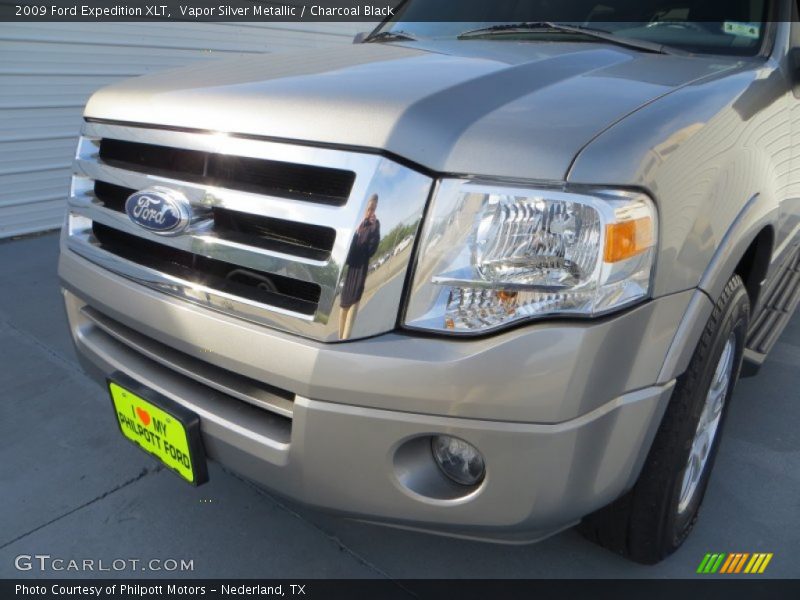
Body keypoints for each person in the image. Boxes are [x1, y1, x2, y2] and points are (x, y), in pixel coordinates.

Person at [339, 194, 380, 340]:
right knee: (343, 306)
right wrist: (356, 233)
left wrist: (374, 229)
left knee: (354, 304)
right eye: (369, 208)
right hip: (352, 270)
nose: (371, 211)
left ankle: (344, 342)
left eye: (373, 209)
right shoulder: (360, 225)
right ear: (365, 209)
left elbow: (371, 250)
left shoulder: (375, 225)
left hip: (361, 269)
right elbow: (350, 252)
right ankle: (340, 339)